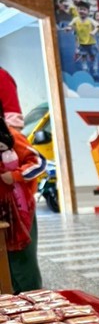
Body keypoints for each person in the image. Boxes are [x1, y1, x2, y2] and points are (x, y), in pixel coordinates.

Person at [0, 102, 46, 292]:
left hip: (19, 211)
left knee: (22, 262)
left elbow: (39, 162)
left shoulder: (10, 136)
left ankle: (32, 302)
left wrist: (15, 175)